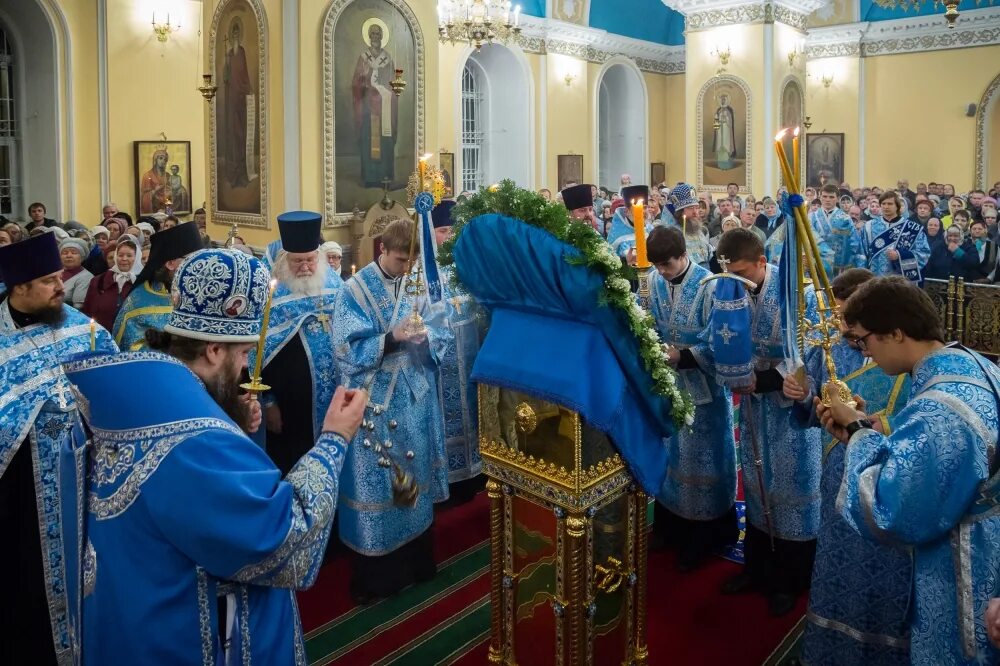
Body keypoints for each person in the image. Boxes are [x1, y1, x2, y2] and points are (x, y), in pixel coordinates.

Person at [60, 248, 367, 664]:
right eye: (243, 354)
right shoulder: (197, 436)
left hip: (126, 618)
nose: (245, 368)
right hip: (183, 633)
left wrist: (231, 414)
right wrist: (334, 438)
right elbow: (282, 538)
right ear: (213, 350)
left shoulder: (134, 389)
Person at [816, 276, 1000, 666]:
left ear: (896, 333)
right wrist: (864, 426)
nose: (863, 350)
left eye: (864, 340)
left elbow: (889, 509)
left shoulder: (940, 409)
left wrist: (856, 431)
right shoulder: (967, 362)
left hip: (965, 564)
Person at [783, 269, 912, 666]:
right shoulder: (828, 347)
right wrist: (803, 396)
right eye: (839, 317)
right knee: (838, 565)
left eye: (852, 323)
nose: (844, 329)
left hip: (887, 483)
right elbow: (810, 413)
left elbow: (917, 428)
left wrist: (868, 422)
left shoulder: (905, 356)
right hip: (836, 473)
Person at [0, 233, 118, 665]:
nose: (61, 285)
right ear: (19, 287)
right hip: (16, 500)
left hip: (83, 491)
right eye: (49, 280)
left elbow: (117, 401)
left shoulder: (85, 333)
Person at [332, 218, 451, 603]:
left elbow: (441, 325)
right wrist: (391, 338)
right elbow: (345, 349)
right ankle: (380, 577)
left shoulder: (419, 278)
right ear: (382, 249)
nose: (406, 267)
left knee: (413, 479)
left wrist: (426, 337)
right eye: (401, 260)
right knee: (381, 484)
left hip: (413, 396)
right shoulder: (355, 289)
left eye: (412, 260)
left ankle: (417, 563)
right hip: (374, 403)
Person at [714, 228, 822, 618]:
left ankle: (789, 580)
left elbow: (808, 353)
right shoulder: (729, 289)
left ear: (762, 262)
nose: (736, 283)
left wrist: (762, 381)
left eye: (743, 273)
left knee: (790, 490)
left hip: (789, 411)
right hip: (754, 407)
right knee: (757, 487)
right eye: (730, 275)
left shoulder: (798, 294)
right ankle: (756, 569)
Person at [647, 226, 737, 570]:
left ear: (684, 255)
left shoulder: (710, 285)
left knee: (703, 460)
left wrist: (682, 357)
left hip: (704, 392)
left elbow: (720, 340)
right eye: (657, 266)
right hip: (668, 386)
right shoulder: (653, 282)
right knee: (672, 457)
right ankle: (671, 528)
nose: (661, 272)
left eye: (667, 265)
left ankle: (703, 537)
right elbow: (649, 324)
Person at [257, 212, 343, 475]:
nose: (305, 266)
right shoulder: (271, 296)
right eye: (297, 261)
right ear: (285, 259)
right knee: (290, 464)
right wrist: (268, 403)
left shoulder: (336, 284)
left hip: (332, 396)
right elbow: (259, 356)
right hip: (289, 406)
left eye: (310, 259)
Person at [431, 201, 483, 503]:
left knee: (473, 412)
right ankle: (447, 482)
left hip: (472, 352)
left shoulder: (468, 265)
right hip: (442, 361)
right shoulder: (421, 272)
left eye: (453, 230)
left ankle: (475, 474)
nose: (449, 237)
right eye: (442, 231)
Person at [113, 221, 203, 351]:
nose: (201, 266)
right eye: (193, 260)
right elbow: (132, 351)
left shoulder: (206, 293)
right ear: (171, 263)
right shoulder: (139, 303)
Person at [352, 22, 398, 188]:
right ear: (369, 37)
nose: (375, 37)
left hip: (384, 104)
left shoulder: (387, 58)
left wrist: (386, 91)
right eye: (373, 34)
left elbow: (395, 83)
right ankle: (370, 177)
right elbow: (356, 83)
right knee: (369, 140)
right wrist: (366, 84)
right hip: (368, 107)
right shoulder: (364, 58)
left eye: (378, 34)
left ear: (382, 37)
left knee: (385, 140)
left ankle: (385, 176)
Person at [851, 191, 930, 284]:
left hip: (901, 282)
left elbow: (924, 253)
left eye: (890, 204)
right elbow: (861, 253)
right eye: (883, 204)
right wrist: (862, 277)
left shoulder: (912, 228)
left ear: (897, 206)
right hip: (874, 280)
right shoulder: (869, 226)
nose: (886, 206)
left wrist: (900, 256)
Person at [83, 235, 141, 332]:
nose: (124, 259)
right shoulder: (98, 281)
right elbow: (88, 310)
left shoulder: (142, 282)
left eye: (129, 255)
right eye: (120, 255)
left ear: (137, 258)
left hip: (131, 338)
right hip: (102, 335)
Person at [811, 183, 855, 275]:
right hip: (816, 265)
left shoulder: (845, 218)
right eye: (825, 196)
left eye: (831, 197)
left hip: (838, 267)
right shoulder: (811, 217)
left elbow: (853, 242)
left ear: (838, 198)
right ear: (820, 197)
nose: (827, 200)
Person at [666, 183, 711, 268]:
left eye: (696, 207)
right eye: (690, 208)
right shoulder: (672, 233)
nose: (695, 212)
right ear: (680, 212)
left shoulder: (699, 229)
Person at [608, 184, 653, 263]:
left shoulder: (651, 229)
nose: (643, 212)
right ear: (627, 211)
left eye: (645, 207)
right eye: (638, 208)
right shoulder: (618, 236)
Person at [59, 237, 94, 310]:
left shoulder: (86, 277)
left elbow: (78, 308)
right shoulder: (55, 273)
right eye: (65, 253)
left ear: (81, 257)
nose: (68, 256)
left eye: (74, 252)